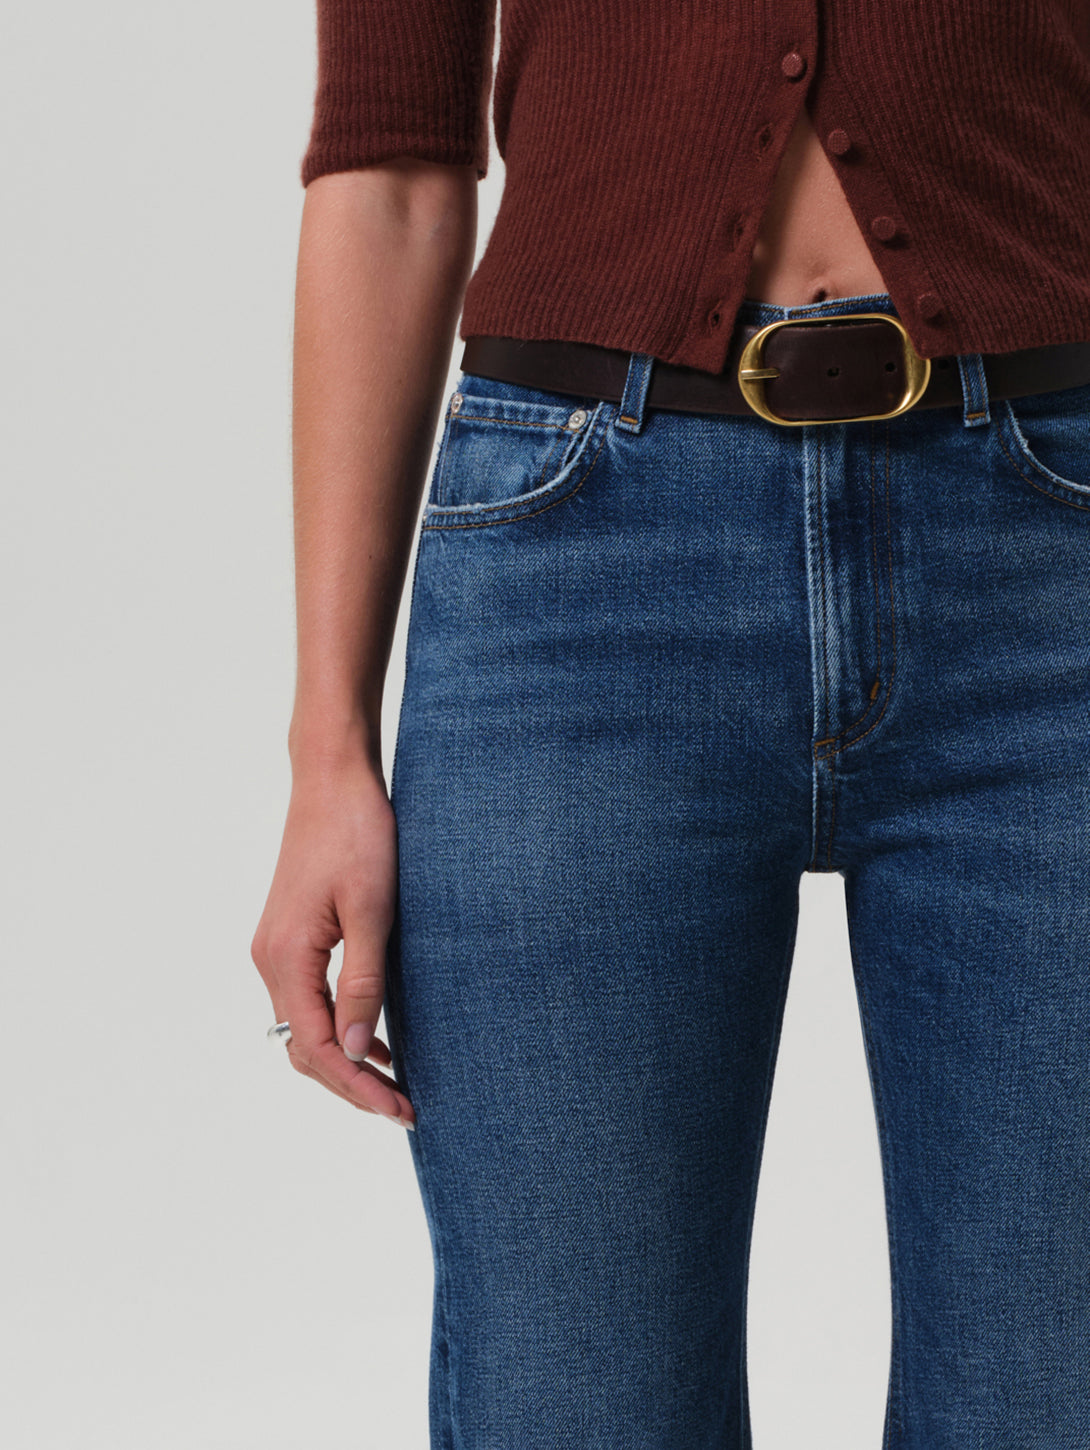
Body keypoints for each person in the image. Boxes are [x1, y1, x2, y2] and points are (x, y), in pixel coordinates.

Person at [251, 2, 1090, 1444]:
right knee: (573, 1403)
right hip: (577, 580)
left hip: (1044, 561)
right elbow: (389, 171)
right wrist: (327, 748)